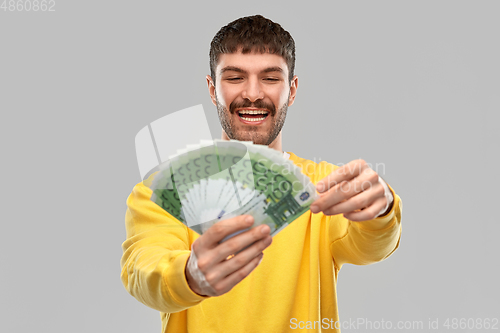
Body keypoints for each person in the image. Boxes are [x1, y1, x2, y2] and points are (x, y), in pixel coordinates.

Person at [121, 14, 402, 332]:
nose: (253, 93)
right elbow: (142, 269)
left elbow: (371, 246)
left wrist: (382, 211)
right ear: (212, 89)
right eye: (234, 77)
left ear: (292, 90)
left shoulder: (322, 186)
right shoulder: (159, 191)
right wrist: (188, 275)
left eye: (270, 78)